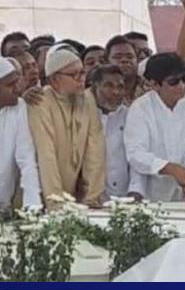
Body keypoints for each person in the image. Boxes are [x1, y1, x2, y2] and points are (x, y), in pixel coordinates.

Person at [27, 44, 106, 207]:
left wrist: (92, 197)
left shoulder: (87, 99)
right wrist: (56, 204)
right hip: (40, 197)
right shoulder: (41, 100)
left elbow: (95, 150)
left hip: (72, 197)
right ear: (54, 80)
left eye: (82, 72)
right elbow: (46, 155)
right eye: (73, 74)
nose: (81, 79)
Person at [124, 53, 185, 202]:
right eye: (173, 82)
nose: (181, 86)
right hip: (151, 193)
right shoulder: (140, 108)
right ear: (154, 84)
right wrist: (171, 169)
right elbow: (135, 153)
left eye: (184, 79)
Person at [0, 57, 41, 211]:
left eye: (18, 81)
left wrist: (32, 206)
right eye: (10, 85)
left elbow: (26, 159)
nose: (18, 88)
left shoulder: (19, 107)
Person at [89, 64, 134, 198]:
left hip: (123, 195)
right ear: (95, 87)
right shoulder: (83, 114)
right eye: (108, 86)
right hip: (89, 195)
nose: (115, 92)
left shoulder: (131, 116)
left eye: (120, 87)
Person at [105, 35, 149, 104]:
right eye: (118, 57)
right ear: (107, 62)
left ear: (137, 60)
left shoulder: (151, 88)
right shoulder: (97, 94)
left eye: (130, 57)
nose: (124, 60)